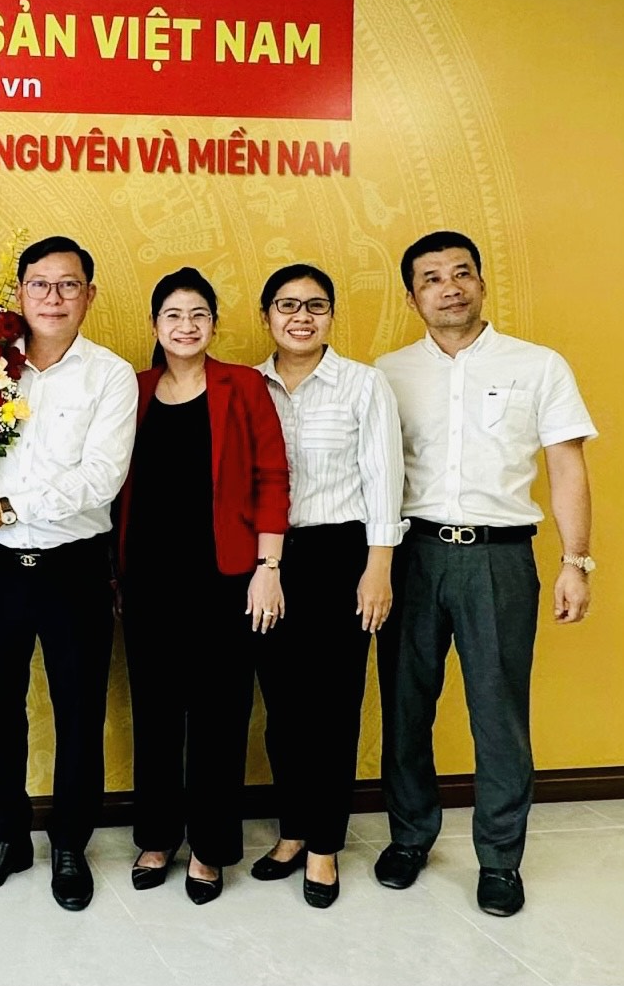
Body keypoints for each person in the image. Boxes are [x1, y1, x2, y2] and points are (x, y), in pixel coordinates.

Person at [374, 231, 595, 917]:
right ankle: (409, 836)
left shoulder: (538, 365)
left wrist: (575, 560)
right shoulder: (386, 372)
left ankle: (500, 858)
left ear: (481, 282)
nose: (450, 287)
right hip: (411, 554)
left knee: (498, 713)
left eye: (461, 273)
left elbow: (567, 466)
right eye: (432, 278)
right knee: (405, 706)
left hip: (499, 558)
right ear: (412, 297)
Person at [0, 236, 137, 911]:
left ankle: (70, 843)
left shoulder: (110, 376)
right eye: (40, 284)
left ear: (90, 295)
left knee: (79, 711)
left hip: (74, 568)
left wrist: (6, 508)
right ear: (19, 292)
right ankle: (8, 834)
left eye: (69, 284)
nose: (53, 297)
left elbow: (101, 478)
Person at [117, 267, 289, 905]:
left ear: (213, 324)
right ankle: (157, 836)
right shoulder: (134, 390)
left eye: (198, 314)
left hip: (227, 579)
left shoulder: (242, 385)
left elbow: (274, 476)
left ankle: (211, 848)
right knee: (155, 713)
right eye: (173, 315)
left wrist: (268, 568)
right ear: (155, 325)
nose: (186, 326)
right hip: (147, 580)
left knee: (220, 716)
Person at [249, 264, 405, 908]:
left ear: (331, 316)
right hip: (268, 561)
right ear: (266, 316)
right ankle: (292, 830)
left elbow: (385, 478)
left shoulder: (364, 384)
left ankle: (324, 845)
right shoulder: (247, 385)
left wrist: (378, 567)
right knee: (282, 705)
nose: (302, 317)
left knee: (334, 706)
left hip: (343, 555)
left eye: (316, 306)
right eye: (287, 305)